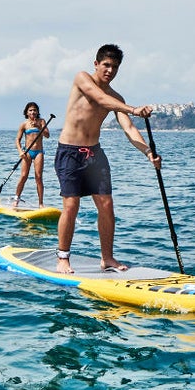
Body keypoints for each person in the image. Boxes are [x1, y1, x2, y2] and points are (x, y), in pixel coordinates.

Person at [54, 43, 161, 274]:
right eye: (106, 65)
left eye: (115, 67)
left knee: (107, 205)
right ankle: (63, 257)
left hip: (95, 154)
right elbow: (99, 99)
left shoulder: (117, 98)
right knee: (71, 206)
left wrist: (148, 153)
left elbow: (130, 129)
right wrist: (132, 108)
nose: (110, 70)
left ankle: (107, 258)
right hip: (69, 153)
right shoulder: (82, 79)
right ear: (96, 64)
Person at [12, 102, 50, 208]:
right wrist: (20, 151)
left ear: (37, 112)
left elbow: (47, 135)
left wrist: (39, 126)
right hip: (27, 152)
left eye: (34, 110)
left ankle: (41, 203)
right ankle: (16, 199)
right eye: (30, 110)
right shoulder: (24, 124)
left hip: (39, 152)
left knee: (38, 177)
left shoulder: (41, 121)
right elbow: (17, 140)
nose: (33, 112)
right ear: (27, 112)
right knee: (24, 176)